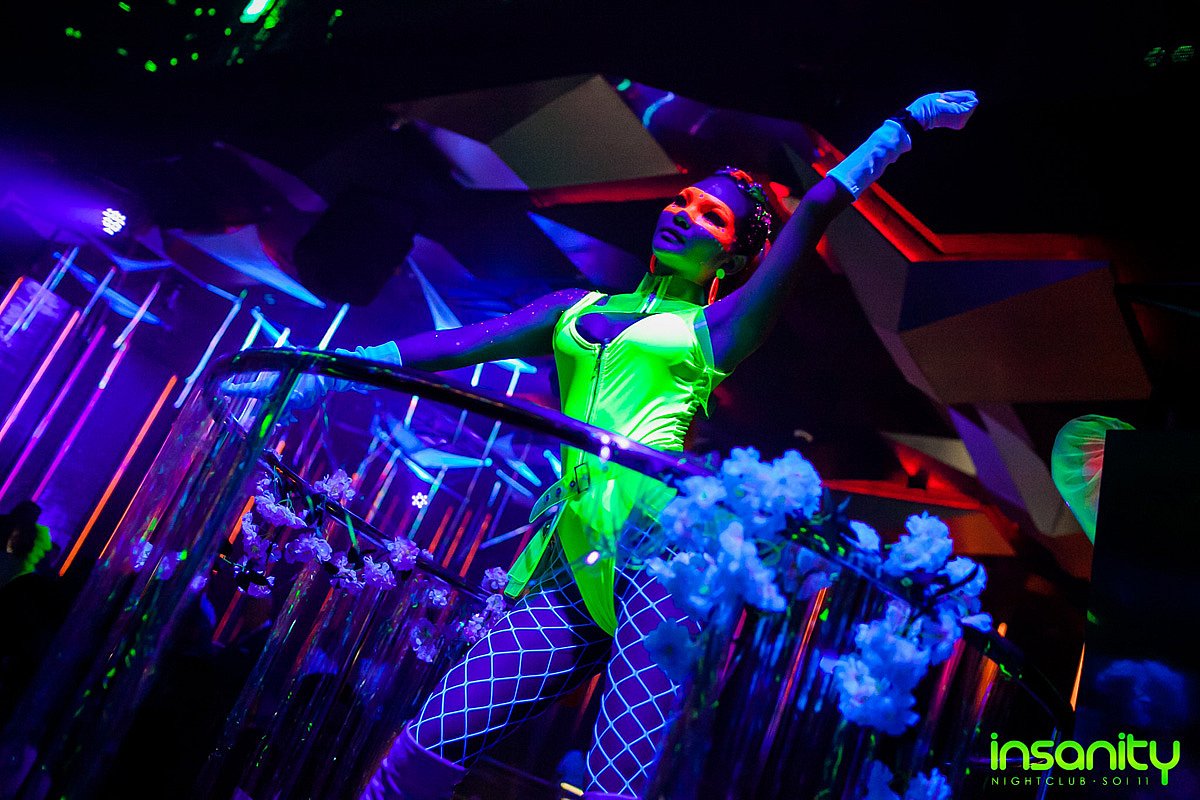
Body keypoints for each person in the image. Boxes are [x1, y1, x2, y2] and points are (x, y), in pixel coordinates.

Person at [232, 90, 978, 800]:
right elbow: (457, 344)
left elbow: (811, 210)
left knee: (618, 782)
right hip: (572, 554)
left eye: (712, 217)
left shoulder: (715, 330)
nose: (684, 213)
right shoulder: (574, 306)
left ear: (732, 259)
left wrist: (903, 127)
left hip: (661, 557)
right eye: (684, 199)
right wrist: (330, 371)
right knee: (430, 740)